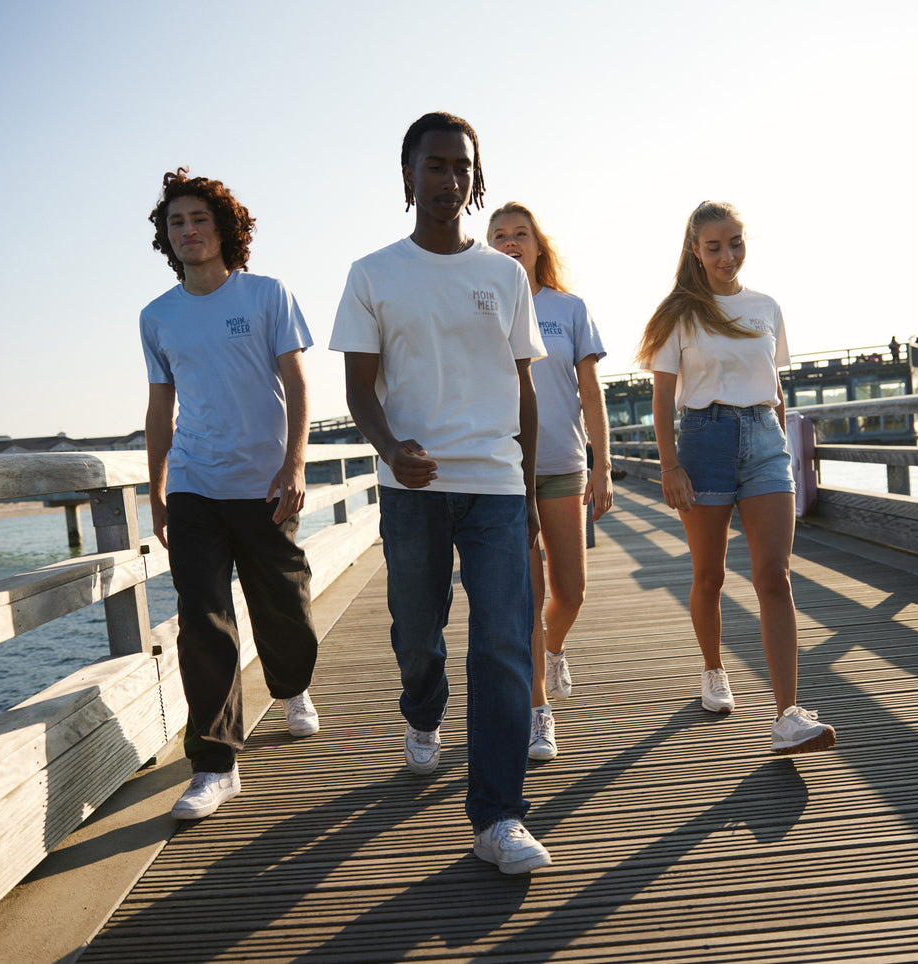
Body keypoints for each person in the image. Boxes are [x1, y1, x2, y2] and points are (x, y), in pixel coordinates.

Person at [330, 112, 552, 874]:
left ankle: (496, 816)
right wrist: (391, 448)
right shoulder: (372, 273)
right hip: (411, 487)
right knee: (416, 635)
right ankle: (422, 713)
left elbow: (523, 387)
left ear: (474, 176)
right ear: (407, 176)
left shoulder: (504, 274)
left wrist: (525, 492)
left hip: (492, 483)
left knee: (499, 642)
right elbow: (358, 386)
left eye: (461, 166)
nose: (448, 178)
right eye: (433, 165)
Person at [141, 168, 322, 821]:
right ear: (166, 237)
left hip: (265, 483)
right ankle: (215, 764)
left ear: (223, 229)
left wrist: (294, 464)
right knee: (203, 620)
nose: (187, 230)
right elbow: (160, 407)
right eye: (175, 222)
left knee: (285, 609)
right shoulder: (157, 317)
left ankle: (291, 684)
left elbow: (298, 387)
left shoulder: (267, 295)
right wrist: (158, 487)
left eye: (198, 219)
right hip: (194, 483)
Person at [634, 200, 836, 755]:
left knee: (775, 575)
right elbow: (662, 396)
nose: (728, 255)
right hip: (705, 442)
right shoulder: (679, 313)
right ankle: (714, 670)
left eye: (736, 242)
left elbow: (774, 386)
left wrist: (778, 442)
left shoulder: (767, 307)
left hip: (765, 442)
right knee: (710, 576)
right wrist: (669, 465)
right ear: (695, 250)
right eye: (715, 245)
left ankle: (788, 715)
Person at [487, 202, 613, 762]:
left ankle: (553, 648)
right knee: (526, 595)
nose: (511, 242)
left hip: (564, 463)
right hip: (503, 470)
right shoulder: (482, 308)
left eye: (520, 234)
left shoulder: (569, 308)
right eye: (499, 236)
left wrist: (603, 463)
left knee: (571, 590)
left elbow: (591, 391)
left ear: (539, 245)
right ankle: (540, 711)